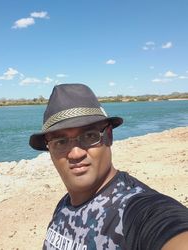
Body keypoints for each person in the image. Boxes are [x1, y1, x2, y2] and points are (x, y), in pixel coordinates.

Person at [29, 83, 188, 250]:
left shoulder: (135, 210)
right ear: (50, 150)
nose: (76, 154)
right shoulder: (64, 206)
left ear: (109, 137)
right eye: (60, 142)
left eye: (90, 136)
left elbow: (169, 228)